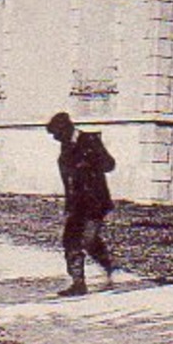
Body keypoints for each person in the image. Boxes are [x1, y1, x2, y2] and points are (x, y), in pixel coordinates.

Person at [46, 112, 117, 296]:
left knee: (89, 240)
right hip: (77, 203)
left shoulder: (90, 140)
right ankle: (78, 283)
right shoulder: (65, 147)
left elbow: (109, 164)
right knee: (70, 240)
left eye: (57, 134)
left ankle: (107, 266)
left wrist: (88, 163)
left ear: (67, 129)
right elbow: (69, 180)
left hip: (95, 202)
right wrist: (68, 206)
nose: (55, 138)